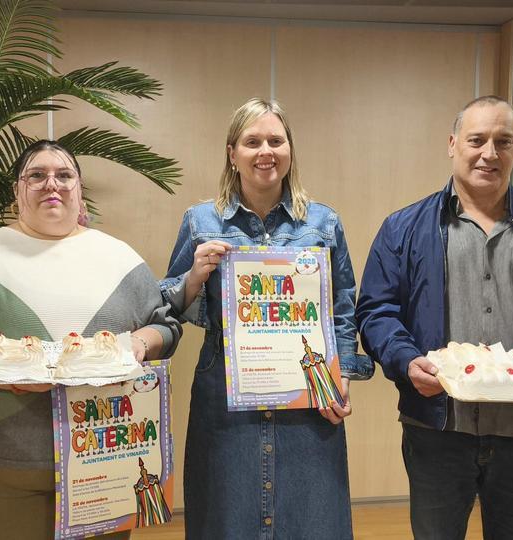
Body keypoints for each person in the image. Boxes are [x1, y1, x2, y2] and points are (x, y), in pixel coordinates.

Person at [356, 95, 513, 539]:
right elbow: (377, 311)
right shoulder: (403, 228)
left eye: (502, 142)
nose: (489, 153)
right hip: (436, 428)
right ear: (453, 144)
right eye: (477, 140)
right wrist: (405, 360)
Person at [0, 140, 181, 539]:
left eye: (64, 175)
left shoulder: (118, 257)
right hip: (5, 459)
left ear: (79, 189)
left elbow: (166, 325)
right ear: (17, 190)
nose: (52, 184)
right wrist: (1, 371)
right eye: (37, 175)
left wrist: (142, 342)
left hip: (107, 457)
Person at [160, 98, 374, 538]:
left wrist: (343, 377)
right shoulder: (201, 220)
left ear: (290, 149)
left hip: (308, 388)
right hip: (224, 387)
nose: (266, 151)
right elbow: (169, 304)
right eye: (252, 141)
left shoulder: (322, 222)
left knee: (311, 516)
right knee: (227, 514)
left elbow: (343, 307)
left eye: (276, 140)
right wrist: (196, 275)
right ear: (231, 152)